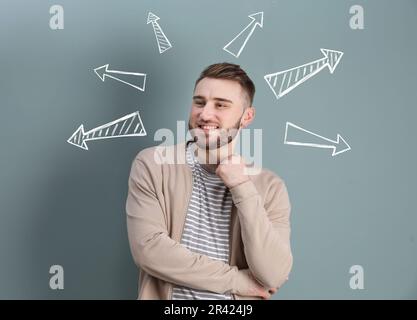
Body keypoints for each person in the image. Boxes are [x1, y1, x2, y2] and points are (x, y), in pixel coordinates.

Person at [126, 62, 293, 300]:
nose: (205, 114)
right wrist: (237, 281)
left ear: (247, 116)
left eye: (221, 105)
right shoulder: (153, 164)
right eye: (199, 102)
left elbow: (273, 274)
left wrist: (241, 186)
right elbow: (149, 249)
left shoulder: (270, 187)